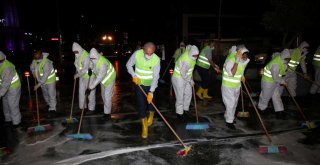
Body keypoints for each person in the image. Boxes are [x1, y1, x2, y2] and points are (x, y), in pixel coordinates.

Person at [126, 42, 160, 139]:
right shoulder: (137, 54)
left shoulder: (156, 59)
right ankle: (144, 125)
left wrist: (151, 91)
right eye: (147, 53)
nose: (149, 55)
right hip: (139, 84)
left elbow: (156, 76)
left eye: (151, 53)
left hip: (151, 84)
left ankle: (152, 114)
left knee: (151, 102)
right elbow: (128, 65)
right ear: (143, 50)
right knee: (141, 104)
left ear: (154, 51)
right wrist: (134, 75)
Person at [221, 46, 250, 129]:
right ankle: (229, 121)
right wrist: (236, 62)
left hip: (237, 85)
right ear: (239, 54)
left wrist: (242, 76)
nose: (245, 57)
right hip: (228, 86)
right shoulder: (231, 59)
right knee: (231, 103)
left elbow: (240, 70)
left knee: (234, 104)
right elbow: (232, 73)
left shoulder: (242, 59)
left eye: (246, 56)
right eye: (243, 56)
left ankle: (229, 117)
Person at [258, 49, 291, 119]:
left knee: (276, 96)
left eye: (289, 59)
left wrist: (286, 67)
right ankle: (261, 109)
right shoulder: (275, 64)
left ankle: (279, 111)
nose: (288, 60)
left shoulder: (281, 59)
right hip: (268, 82)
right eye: (287, 59)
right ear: (283, 57)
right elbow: (275, 77)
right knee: (265, 96)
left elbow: (276, 55)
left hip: (275, 81)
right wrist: (283, 82)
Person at [86, 48, 116, 121]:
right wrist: (89, 69)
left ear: (97, 56)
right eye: (91, 58)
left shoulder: (103, 63)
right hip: (103, 80)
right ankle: (107, 108)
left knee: (107, 96)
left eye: (94, 58)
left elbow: (99, 78)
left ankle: (107, 114)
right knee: (103, 95)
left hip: (109, 78)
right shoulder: (93, 58)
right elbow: (91, 63)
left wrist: (90, 88)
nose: (93, 60)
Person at [172, 45, 199, 120]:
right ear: (191, 54)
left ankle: (185, 109)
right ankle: (179, 113)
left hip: (187, 77)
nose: (195, 57)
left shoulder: (189, 51)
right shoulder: (186, 60)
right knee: (180, 96)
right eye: (194, 55)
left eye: (197, 55)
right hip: (178, 78)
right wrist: (190, 80)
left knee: (188, 93)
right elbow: (182, 73)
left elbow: (188, 47)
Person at [30, 49, 57, 118]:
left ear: (41, 55)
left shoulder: (47, 62)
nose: (36, 60)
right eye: (35, 58)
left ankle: (53, 109)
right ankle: (48, 104)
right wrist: (34, 73)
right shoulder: (35, 60)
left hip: (50, 80)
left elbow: (45, 76)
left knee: (51, 94)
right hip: (41, 81)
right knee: (45, 94)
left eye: (38, 58)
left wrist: (38, 85)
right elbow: (32, 67)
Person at [72, 42, 96, 115]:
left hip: (89, 76)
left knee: (90, 93)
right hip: (82, 76)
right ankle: (83, 108)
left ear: (79, 49)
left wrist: (77, 75)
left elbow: (85, 69)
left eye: (76, 51)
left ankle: (91, 109)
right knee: (81, 92)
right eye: (74, 52)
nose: (75, 53)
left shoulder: (86, 56)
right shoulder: (77, 55)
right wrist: (76, 72)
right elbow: (78, 65)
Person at [0, 51, 21, 128]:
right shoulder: (1, 64)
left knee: (12, 104)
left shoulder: (8, 67)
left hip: (13, 87)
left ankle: (16, 122)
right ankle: (8, 120)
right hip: (4, 87)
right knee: (5, 104)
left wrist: (0, 93)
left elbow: (6, 83)